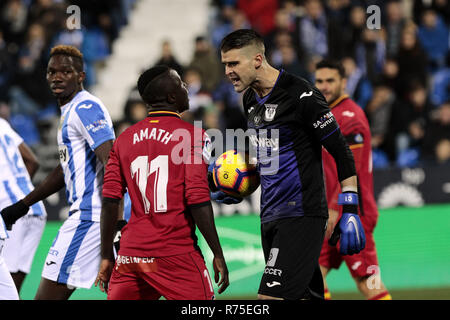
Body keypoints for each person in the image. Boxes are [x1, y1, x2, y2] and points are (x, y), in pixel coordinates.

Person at [217, 29, 365, 300]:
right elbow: (269, 157)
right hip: (270, 215)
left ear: (257, 59)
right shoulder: (250, 100)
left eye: (234, 63)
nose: (227, 71)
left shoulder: (302, 95)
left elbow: (341, 151)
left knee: (269, 299)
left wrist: (350, 207)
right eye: (225, 64)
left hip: (301, 214)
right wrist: (237, 183)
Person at [95, 65, 229, 300]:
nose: (186, 87)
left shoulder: (123, 140)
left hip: (131, 256)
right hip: (175, 254)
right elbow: (197, 198)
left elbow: (109, 201)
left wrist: (106, 256)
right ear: (171, 97)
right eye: (181, 84)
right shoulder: (194, 136)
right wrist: (217, 252)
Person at [0, 45, 115, 300]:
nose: (57, 77)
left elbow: (112, 163)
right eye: (52, 72)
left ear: (81, 76)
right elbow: (65, 170)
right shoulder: (70, 111)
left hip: (90, 218)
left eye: (66, 71)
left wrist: (115, 222)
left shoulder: (86, 108)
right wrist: (22, 205)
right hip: (92, 218)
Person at [314, 59, 392, 300]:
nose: (324, 86)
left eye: (330, 81)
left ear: (344, 82)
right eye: (319, 81)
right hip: (331, 214)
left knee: (368, 281)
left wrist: (338, 208)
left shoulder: (350, 116)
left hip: (352, 214)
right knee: (311, 276)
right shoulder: (326, 114)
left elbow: (352, 168)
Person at [0, 116, 47, 294]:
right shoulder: (2, 123)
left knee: (4, 285)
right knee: (12, 286)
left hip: (8, 213)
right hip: (34, 209)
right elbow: (33, 161)